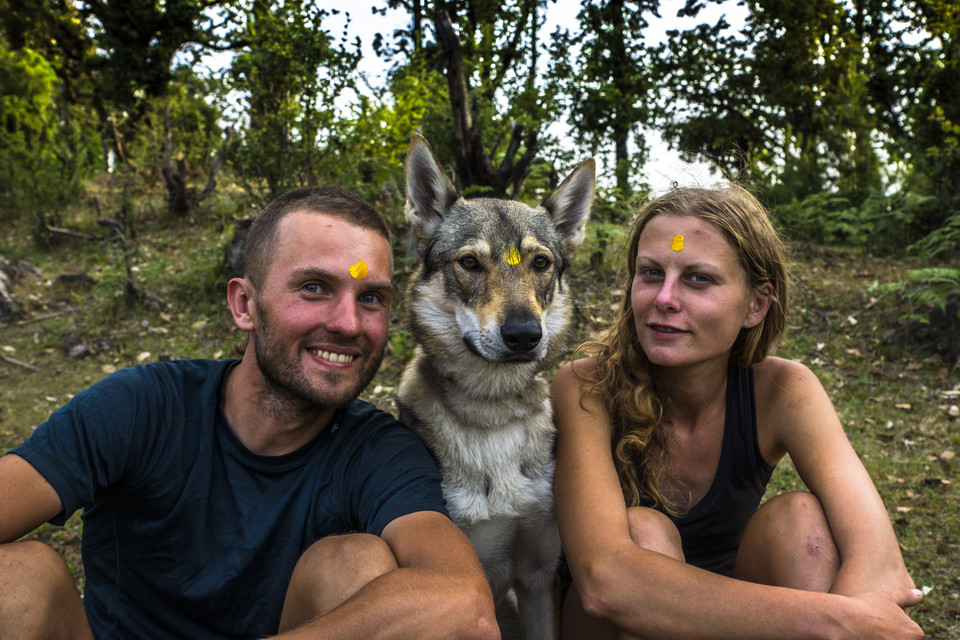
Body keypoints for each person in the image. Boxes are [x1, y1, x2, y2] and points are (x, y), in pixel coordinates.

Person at [0, 186, 499, 640]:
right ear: (245, 305)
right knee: (20, 580)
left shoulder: (379, 452)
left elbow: (466, 605)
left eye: (371, 298)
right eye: (314, 288)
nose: (349, 324)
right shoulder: (141, 408)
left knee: (355, 564)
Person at [551, 185, 924, 639]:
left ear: (755, 305)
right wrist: (834, 622)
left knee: (802, 523)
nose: (664, 298)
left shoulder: (784, 390)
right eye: (650, 273)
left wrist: (849, 623)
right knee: (643, 532)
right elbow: (607, 583)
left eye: (698, 279)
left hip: (739, 618)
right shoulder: (584, 387)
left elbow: (879, 561)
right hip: (613, 624)